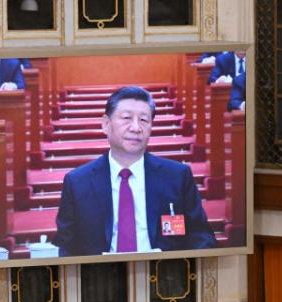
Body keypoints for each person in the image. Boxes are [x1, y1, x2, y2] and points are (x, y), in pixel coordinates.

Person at [55, 86, 216, 256]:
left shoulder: (177, 176)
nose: (136, 127)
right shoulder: (78, 182)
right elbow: (67, 246)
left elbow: (201, 234)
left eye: (144, 120)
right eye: (126, 118)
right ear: (106, 124)